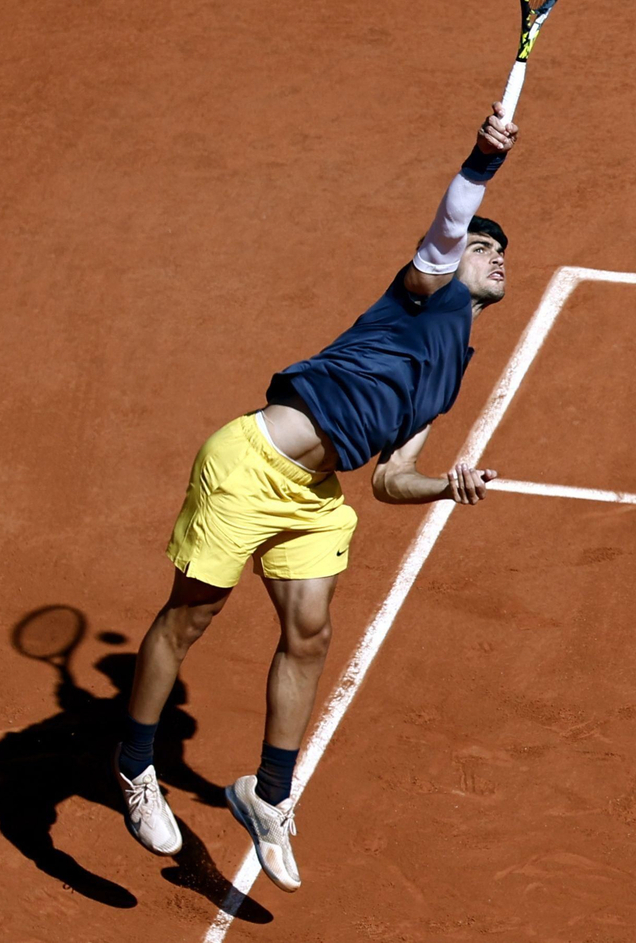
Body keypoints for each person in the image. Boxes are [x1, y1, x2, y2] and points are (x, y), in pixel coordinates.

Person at [113, 104, 518, 893]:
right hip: (249, 464)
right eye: (483, 247)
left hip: (313, 493)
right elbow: (450, 215)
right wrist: (481, 161)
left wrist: (450, 487)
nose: (497, 257)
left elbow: (391, 478)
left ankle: (266, 796)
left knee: (311, 632)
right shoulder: (418, 293)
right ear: (449, 259)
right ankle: (135, 769)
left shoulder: (453, 369)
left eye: (504, 253)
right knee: (190, 617)